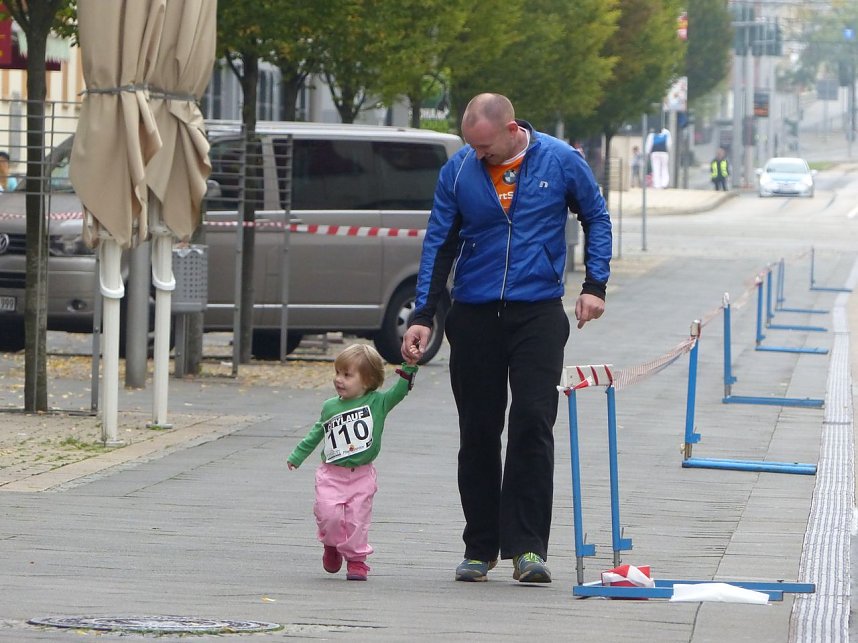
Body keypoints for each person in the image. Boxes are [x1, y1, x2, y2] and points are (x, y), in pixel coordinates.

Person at [401, 93, 612, 584]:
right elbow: (440, 241)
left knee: (533, 422)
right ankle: (480, 546)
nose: (480, 157)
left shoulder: (560, 161)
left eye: (486, 148)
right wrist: (424, 314)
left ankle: (528, 549)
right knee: (478, 430)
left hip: (537, 311)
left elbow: (595, 216)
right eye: (472, 147)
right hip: (474, 315)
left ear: (512, 128)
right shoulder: (458, 171)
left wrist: (594, 285)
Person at [287, 344, 418, 581]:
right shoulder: (330, 406)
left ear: (368, 380)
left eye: (347, 375)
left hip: (361, 475)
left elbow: (400, 391)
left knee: (357, 519)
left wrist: (409, 367)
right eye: (338, 373)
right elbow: (317, 433)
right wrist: (297, 455)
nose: (339, 379)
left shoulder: (378, 402)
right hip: (331, 473)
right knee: (328, 514)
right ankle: (331, 544)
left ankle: (357, 560)